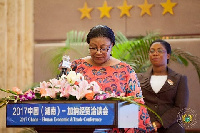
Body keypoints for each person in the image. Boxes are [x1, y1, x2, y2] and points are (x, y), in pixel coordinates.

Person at [59, 25, 154, 132]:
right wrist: (63, 76)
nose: (98, 52)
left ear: (112, 45)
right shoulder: (76, 66)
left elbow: (136, 104)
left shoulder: (125, 70)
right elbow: (63, 96)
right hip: (82, 126)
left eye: (103, 48)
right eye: (93, 48)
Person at [137, 39, 189, 133]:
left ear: (168, 55)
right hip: (146, 128)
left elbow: (180, 107)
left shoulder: (179, 79)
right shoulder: (138, 78)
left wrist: (159, 123)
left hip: (172, 128)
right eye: (152, 51)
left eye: (160, 51)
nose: (155, 53)